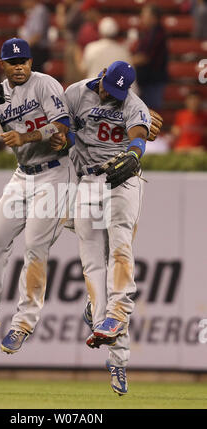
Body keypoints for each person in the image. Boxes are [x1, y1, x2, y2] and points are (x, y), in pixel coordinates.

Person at [50, 61, 162, 396]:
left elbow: (140, 136)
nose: (111, 95)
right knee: (92, 262)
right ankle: (109, 338)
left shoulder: (132, 103)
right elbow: (61, 128)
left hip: (122, 179)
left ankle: (116, 340)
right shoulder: (75, 93)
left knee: (121, 246)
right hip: (86, 180)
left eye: (118, 92)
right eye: (108, 87)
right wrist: (61, 136)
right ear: (101, 75)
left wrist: (134, 152)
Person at [0, 38, 71, 355]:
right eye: (13, 61)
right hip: (23, 175)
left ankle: (22, 324)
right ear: (3, 65)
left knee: (35, 249)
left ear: (31, 63)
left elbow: (62, 128)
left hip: (54, 174)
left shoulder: (45, 84)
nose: (20, 66)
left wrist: (26, 136)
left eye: (24, 61)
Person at [132, 3, 168, 110]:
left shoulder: (157, 34)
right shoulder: (149, 33)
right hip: (146, 81)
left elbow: (145, 57)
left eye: (144, 15)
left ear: (153, 17)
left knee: (150, 114)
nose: (142, 18)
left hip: (153, 82)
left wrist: (127, 60)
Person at [80, 17, 135, 84]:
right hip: (114, 91)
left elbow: (83, 70)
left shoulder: (91, 48)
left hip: (93, 90)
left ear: (100, 32)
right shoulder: (123, 51)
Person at [55, 0, 84, 85]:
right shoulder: (73, 8)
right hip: (72, 44)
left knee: (75, 76)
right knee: (70, 76)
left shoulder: (78, 7)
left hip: (76, 45)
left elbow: (63, 24)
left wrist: (60, 12)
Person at [19, 0, 50, 73]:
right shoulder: (32, 12)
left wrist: (23, 48)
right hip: (32, 49)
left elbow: (37, 35)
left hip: (38, 51)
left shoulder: (40, 11)